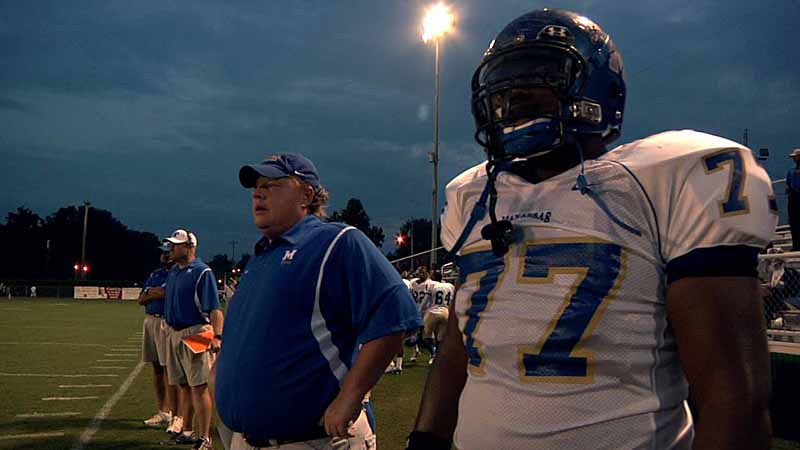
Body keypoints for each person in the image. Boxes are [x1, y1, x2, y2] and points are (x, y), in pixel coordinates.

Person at [408, 9, 775, 450]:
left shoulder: (667, 178)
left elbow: (733, 397)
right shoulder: (473, 196)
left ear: (597, 91)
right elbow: (458, 349)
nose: (514, 101)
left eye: (537, 83)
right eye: (505, 91)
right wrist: (425, 439)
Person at [214, 153, 422, 450]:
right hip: (248, 439)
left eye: (272, 184)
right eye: (256, 187)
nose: (258, 193)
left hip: (314, 440)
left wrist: (350, 397)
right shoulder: (260, 257)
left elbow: (395, 315)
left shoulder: (336, 242)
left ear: (306, 194)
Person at [162, 229, 223, 450]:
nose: (171, 248)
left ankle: (204, 437)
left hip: (196, 331)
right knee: (184, 385)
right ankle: (187, 431)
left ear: (189, 246)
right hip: (175, 332)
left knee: (198, 387)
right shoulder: (175, 271)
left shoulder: (201, 271)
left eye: (176, 244)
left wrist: (216, 336)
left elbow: (215, 309)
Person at [139, 244, 177, 428]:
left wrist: (153, 293)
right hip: (150, 320)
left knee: (169, 369)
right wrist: (157, 293)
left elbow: (168, 294)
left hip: (165, 322)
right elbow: (141, 299)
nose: (164, 255)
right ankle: (163, 410)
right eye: (162, 252)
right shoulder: (156, 274)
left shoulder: (178, 273)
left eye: (167, 252)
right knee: (156, 369)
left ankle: (174, 413)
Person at [419, 272, 454, 365]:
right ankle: (440, 358)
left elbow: (425, 302)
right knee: (440, 339)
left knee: (425, 337)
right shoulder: (450, 286)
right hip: (446, 312)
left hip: (433, 312)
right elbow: (452, 301)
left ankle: (433, 354)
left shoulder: (432, 285)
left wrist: (419, 312)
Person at [786, 149, 800, 250]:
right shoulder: (791, 170)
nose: (794, 159)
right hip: (793, 197)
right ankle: (796, 245)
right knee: (793, 222)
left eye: (795, 157)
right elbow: (788, 182)